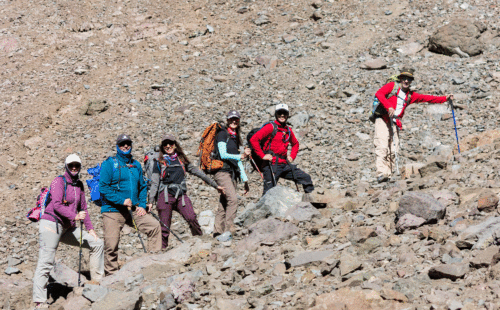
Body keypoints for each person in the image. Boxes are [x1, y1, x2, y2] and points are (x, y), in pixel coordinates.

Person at [33, 154, 104, 309]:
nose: (74, 168)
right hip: (51, 224)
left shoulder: (79, 185)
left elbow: (83, 208)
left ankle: (98, 283)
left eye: (76, 165)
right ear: (66, 166)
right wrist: (75, 216)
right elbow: (57, 205)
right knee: (46, 261)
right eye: (71, 165)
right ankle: (39, 301)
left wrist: (90, 229)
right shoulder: (59, 181)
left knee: (97, 243)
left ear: (79, 167)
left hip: (67, 227)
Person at [373, 67, 454, 182]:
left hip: (395, 122)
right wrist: (388, 106)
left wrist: (444, 98)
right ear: (400, 79)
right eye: (404, 78)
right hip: (383, 119)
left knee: (394, 149)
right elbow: (379, 94)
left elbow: (427, 98)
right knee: (382, 146)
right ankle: (381, 174)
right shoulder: (392, 86)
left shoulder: (410, 95)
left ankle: (389, 175)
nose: (406, 81)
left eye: (409, 79)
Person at [147, 133, 224, 248]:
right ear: (162, 147)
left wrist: (215, 185)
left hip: (181, 196)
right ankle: (162, 251)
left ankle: (200, 242)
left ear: (175, 145)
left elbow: (198, 173)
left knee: (192, 218)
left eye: (170, 143)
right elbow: (154, 183)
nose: (168, 146)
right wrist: (150, 201)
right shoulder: (159, 162)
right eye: (165, 144)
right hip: (165, 196)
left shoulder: (181, 159)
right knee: (164, 227)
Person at [99, 134, 161, 276]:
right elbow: (103, 187)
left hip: (133, 209)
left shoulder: (136, 164)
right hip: (112, 210)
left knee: (154, 227)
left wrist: (142, 204)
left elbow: (143, 186)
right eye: (122, 144)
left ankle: (154, 263)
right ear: (117, 147)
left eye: (128, 144)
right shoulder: (109, 164)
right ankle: (111, 276)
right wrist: (121, 200)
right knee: (111, 244)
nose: (125, 146)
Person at [249, 103, 314, 197]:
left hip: (284, 164)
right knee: (268, 193)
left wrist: (292, 156)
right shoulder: (270, 127)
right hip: (271, 165)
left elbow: (295, 144)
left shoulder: (287, 130)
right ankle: (264, 211)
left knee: (306, 178)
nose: (282, 115)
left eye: (284, 113)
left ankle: (311, 205)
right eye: (280, 113)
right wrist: (262, 156)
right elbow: (254, 139)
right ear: (276, 114)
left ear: (287, 115)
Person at [212, 110, 250, 236]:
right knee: (233, 200)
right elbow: (223, 154)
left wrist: (245, 180)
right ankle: (229, 231)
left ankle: (217, 232)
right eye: (231, 119)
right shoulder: (222, 134)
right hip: (222, 172)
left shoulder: (234, 137)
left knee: (224, 202)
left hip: (231, 173)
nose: (234, 121)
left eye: (236, 119)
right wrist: (240, 155)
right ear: (227, 120)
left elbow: (237, 160)